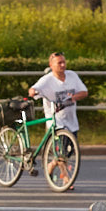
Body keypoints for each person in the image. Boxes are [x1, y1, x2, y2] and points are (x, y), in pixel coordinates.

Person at [29, 52, 87, 188]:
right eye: (59, 63)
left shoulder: (72, 76)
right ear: (51, 65)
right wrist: (33, 92)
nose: (62, 65)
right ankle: (66, 179)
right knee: (61, 152)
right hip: (56, 122)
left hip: (71, 121)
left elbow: (84, 92)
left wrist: (73, 97)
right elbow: (33, 89)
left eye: (64, 62)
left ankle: (51, 164)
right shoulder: (47, 80)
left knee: (70, 151)